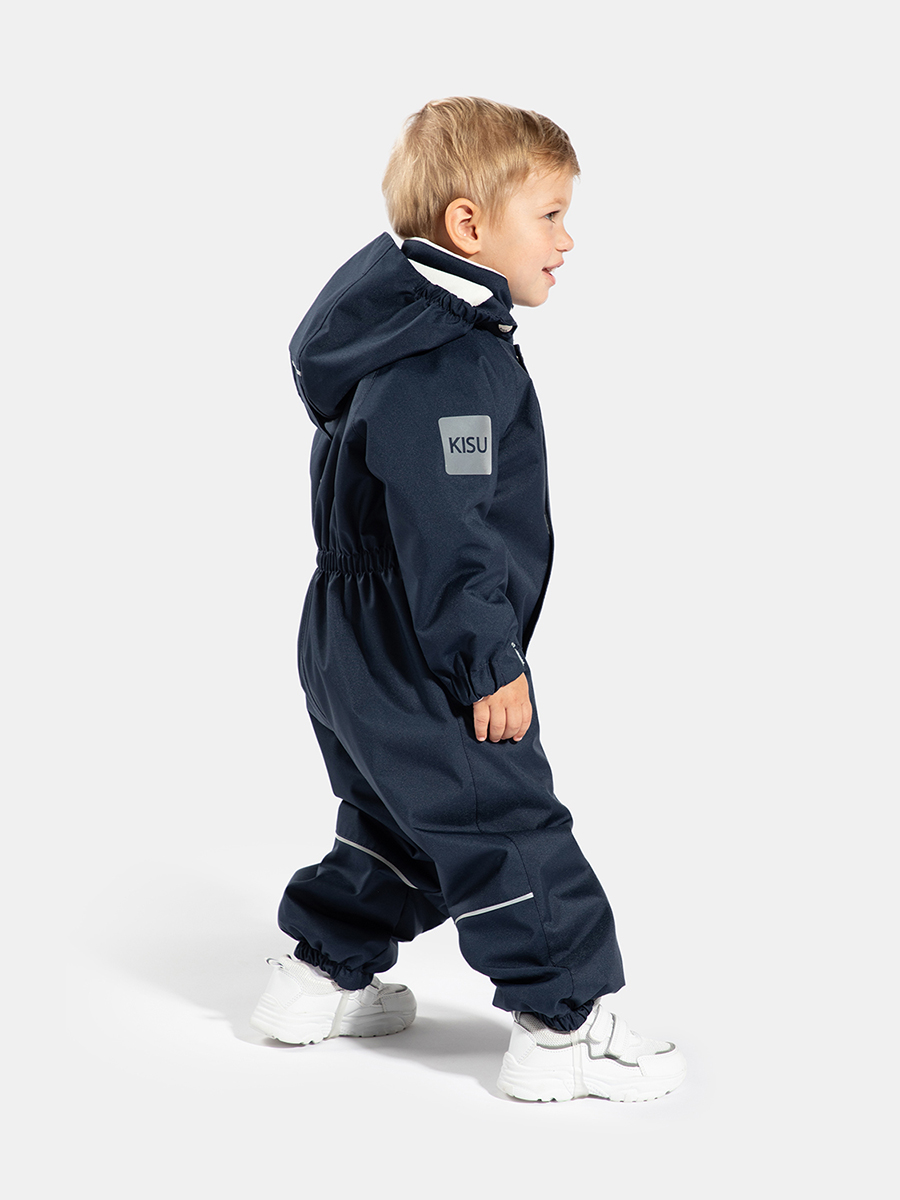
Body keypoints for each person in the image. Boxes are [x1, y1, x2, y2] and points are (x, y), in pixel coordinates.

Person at [251, 97, 686, 1103]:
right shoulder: (447, 362)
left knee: (397, 814)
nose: (568, 241)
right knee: (502, 816)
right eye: (551, 215)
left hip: (347, 637)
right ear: (469, 225)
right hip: (423, 636)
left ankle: (318, 974)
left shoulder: (390, 333)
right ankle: (562, 1026)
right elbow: (449, 534)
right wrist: (487, 662)